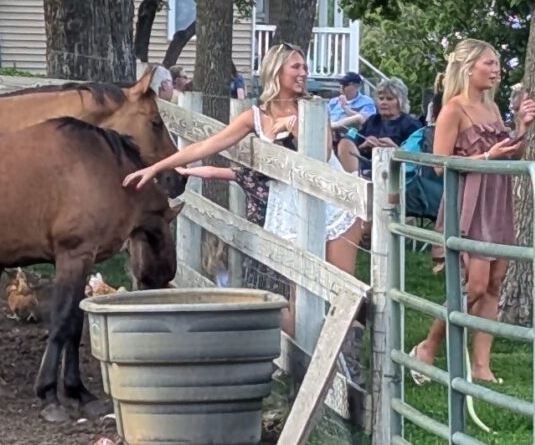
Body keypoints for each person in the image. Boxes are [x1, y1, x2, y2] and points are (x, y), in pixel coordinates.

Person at [124, 43, 363, 335]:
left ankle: (348, 349)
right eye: (296, 67)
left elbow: (322, 154)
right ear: (276, 71)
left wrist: (296, 129)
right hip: (291, 208)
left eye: (304, 66)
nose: (303, 72)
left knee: (340, 292)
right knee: (301, 300)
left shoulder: (314, 108)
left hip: (331, 205)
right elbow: (206, 145)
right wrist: (155, 168)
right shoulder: (256, 116)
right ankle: (296, 352)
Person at [409, 39, 535, 385]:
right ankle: (428, 346)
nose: (496, 70)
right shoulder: (453, 109)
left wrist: (521, 129)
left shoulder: (492, 108)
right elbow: (439, 165)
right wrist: (486, 157)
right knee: (475, 286)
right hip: (469, 201)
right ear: (468, 69)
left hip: (497, 199)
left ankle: (481, 366)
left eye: (497, 64)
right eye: (489, 64)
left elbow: (509, 155)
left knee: (494, 283)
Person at [336, 77, 422, 177]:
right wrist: (364, 145)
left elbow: (415, 158)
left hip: (395, 172)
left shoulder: (411, 125)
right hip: (364, 168)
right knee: (345, 142)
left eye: (389, 99)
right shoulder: (372, 120)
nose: (383, 102)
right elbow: (355, 144)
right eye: (381, 98)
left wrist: (394, 149)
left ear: (400, 102)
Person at [328, 72, 376, 137]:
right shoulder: (333, 101)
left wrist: (346, 108)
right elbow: (324, 117)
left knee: (354, 127)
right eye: (341, 84)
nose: (342, 87)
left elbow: (367, 122)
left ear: (356, 86)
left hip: (352, 134)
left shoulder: (366, 101)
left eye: (345, 84)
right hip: (330, 133)